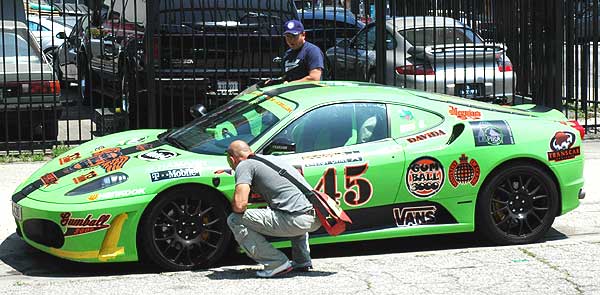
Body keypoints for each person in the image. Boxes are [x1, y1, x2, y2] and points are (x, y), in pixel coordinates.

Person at [226, 140, 321, 278]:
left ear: (231, 159)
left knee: (234, 219)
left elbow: (240, 206)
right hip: (315, 217)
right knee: (288, 207)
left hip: (296, 220)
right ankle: (302, 261)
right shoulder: (273, 159)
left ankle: (276, 263)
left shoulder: (244, 165)